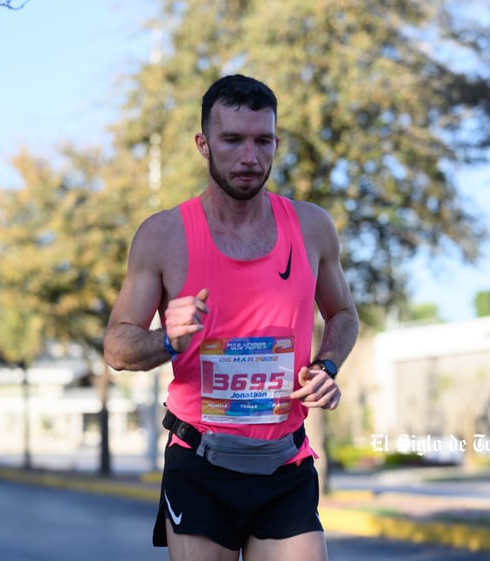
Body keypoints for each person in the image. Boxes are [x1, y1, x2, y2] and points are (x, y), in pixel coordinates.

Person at [104, 74, 359, 561]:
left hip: (285, 462)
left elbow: (343, 313)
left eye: (263, 141)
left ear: (276, 142)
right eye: (232, 140)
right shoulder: (163, 236)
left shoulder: (311, 227)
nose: (250, 156)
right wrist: (168, 342)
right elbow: (117, 347)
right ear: (204, 144)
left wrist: (327, 367)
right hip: (200, 465)